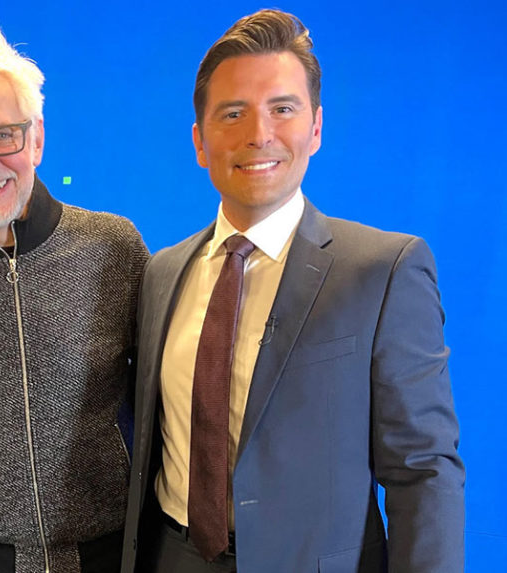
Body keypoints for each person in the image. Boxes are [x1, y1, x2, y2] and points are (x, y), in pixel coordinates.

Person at [121, 9, 464, 573]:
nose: (259, 134)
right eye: (233, 113)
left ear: (316, 127)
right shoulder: (162, 272)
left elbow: (424, 471)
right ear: (200, 141)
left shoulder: (384, 271)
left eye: (283, 108)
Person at [0, 21, 149, 573]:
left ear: (37, 137)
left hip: (109, 553)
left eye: (4, 135)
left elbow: (165, 400)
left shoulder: (115, 248)